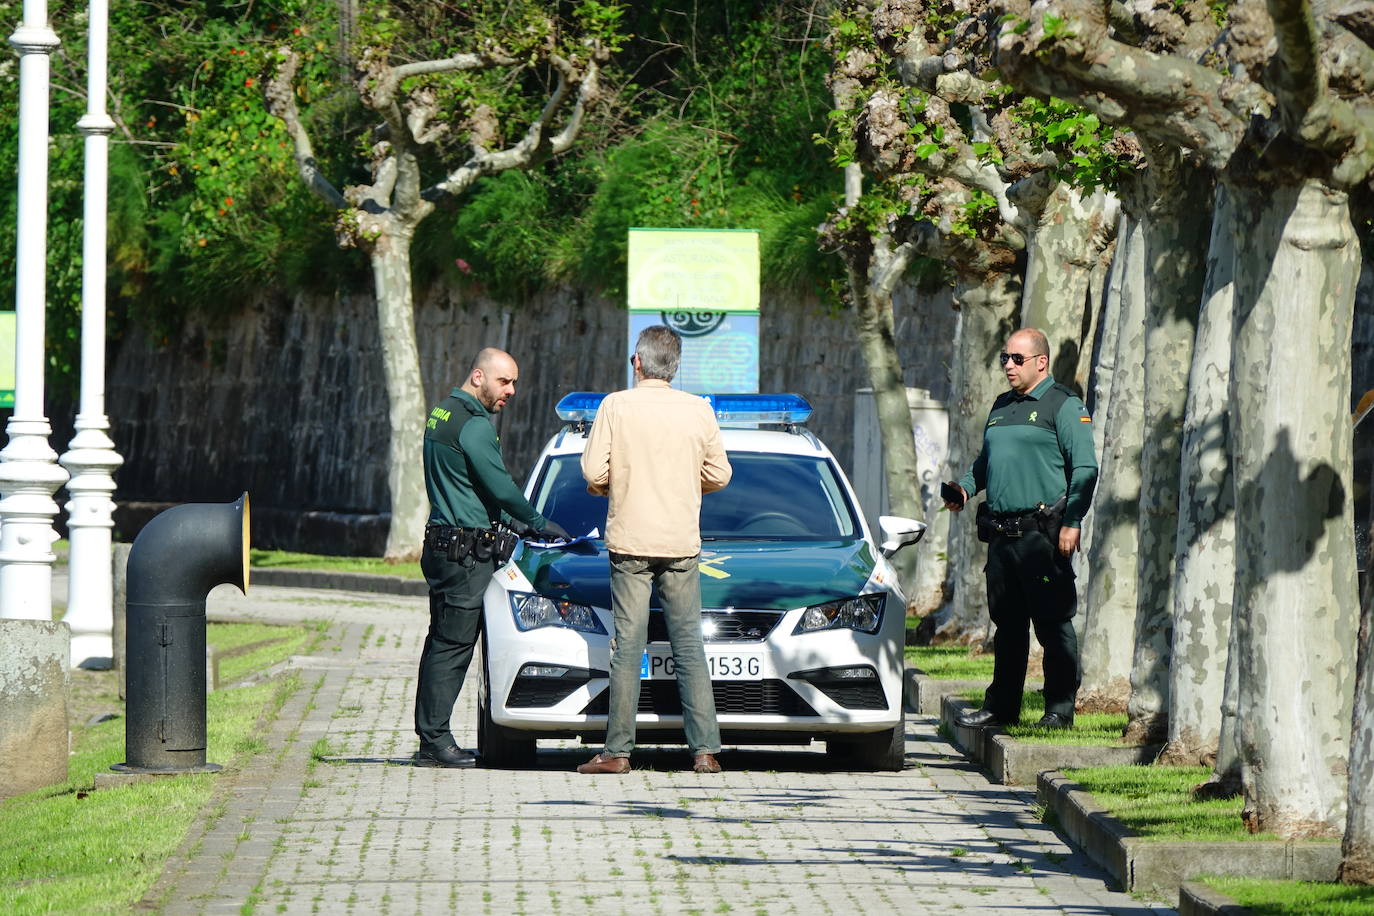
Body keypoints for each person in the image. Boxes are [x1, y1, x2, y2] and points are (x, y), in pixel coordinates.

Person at [575, 325, 733, 775]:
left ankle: (618, 752)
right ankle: (705, 751)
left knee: (628, 645)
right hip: (682, 542)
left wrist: (611, 484)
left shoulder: (616, 406)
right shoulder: (698, 411)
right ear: (676, 367)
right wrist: (684, 481)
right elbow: (720, 474)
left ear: (637, 362)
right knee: (688, 644)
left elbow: (592, 468)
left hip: (630, 542)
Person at [414, 347, 569, 768]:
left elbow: (468, 485)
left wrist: (508, 522)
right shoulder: (474, 425)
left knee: (441, 641)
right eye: (505, 382)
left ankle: (430, 736)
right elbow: (498, 486)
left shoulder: (442, 413)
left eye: (515, 382)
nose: (512, 391)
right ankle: (435, 742)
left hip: (443, 545)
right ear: (478, 376)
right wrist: (535, 521)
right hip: (464, 554)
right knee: (453, 646)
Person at [945, 327, 1098, 730]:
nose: (1008, 366)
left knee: (1052, 624)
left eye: (1017, 359)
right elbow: (985, 462)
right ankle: (1002, 707)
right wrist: (964, 487)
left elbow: (1085, 468)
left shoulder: (1063, 405)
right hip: (1001, 535)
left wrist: (1072, 521)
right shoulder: (1001, 406)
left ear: (1040, 362)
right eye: (1005, 358)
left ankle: (1059, 711)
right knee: (1008, 626)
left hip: (1042, 534)